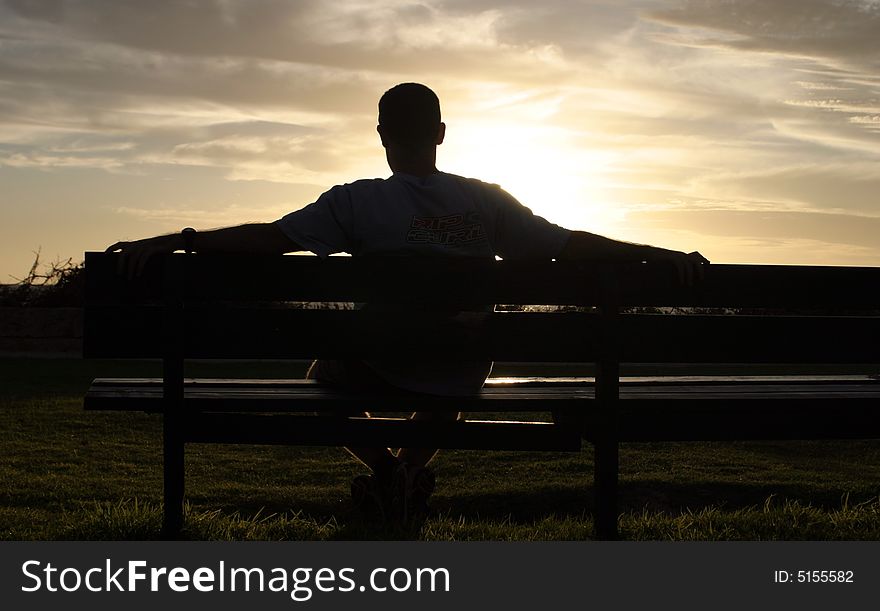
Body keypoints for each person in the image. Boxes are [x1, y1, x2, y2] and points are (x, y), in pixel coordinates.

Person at [108, 82, 708, 521]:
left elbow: (268, 239)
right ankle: (409, 477)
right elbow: (568, 245)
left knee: (323, 375)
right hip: (462, 362)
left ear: (381, 135)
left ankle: (390, 474)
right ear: (441, 134)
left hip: (381, 353)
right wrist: (652, 253)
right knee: (456, 362)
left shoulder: (354, 202)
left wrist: (178, 240)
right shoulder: (487, 201)